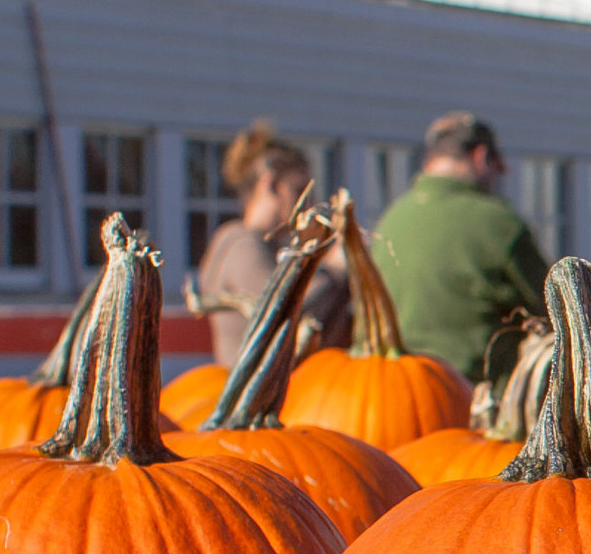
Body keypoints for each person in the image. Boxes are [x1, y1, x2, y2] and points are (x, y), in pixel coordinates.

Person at [370, 112, 549, 381]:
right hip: (474, 396)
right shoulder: (498, 222)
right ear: (481, 157)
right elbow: (555, 310)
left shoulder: (390, 220)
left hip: (390, 387)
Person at [193, 122, 347, 366]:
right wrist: (335, 269)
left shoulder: (259, 244)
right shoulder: (241, 243)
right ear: (272, 184)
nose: (310, 204)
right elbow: (280, 304)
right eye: (299, 191)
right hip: (247, 397)